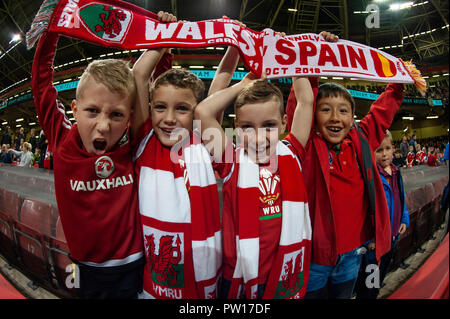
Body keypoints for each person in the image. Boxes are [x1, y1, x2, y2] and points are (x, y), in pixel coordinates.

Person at [31, 11, 176, 299]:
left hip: (133, 268)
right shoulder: (61, 140)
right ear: (74, 110)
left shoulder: (135, 144)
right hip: (78, 267)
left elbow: (159, 93)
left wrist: (166, 44)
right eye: (92, 111)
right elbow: (42, 84)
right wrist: (53, 28)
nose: (103, 125)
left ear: (129, 118)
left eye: (116, 114)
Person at [195, 73, 313, 299]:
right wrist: (244, 84)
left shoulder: (293, 152)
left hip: (284, 271)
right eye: (248, 127)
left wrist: (293, 58)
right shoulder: (230, 159)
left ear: (284, 123)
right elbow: (203, 112)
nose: (259, 138)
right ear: (236, 127)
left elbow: (306, 100)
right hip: (238, 275)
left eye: (269, 125)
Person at [285, 78, 404, 298]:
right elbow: (300, 103)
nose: (335, 118)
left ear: (352, 118)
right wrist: (310, 59)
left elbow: (381, 113)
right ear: (312, 114)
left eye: (343, 111)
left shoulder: (362, 140)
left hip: (352, 255)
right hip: (314, 259)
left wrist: (397, 84)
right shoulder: (308, 144)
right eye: (325, 110)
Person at [355, 130, 409, 299]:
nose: (384, 154)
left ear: (393, 149)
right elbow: (360, 212)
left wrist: (404, 219)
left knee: (380, 276)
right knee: (369, 286)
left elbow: (401, 199)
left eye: (387, 149)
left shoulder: (396, 172)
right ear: (371, 152)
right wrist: (368, 240)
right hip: (374, 246)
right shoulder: (370, 178)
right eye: (379, 150)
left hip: (391, 239)